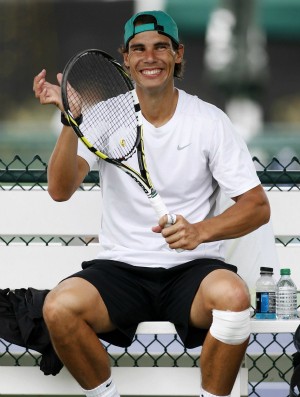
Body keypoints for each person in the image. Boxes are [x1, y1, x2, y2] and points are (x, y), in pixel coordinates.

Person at [33, 10, 270, 397]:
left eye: (161, 47)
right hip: (120, 269)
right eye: (138, 49)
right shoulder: (104, 116)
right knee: (59, 308)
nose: (150, 57)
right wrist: (69, 121)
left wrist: (200, 232)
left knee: (234, 298)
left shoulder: (209, 120)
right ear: (125, 59)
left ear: (178, 54)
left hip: (192, 271)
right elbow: (60, 189)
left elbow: (257, 206)